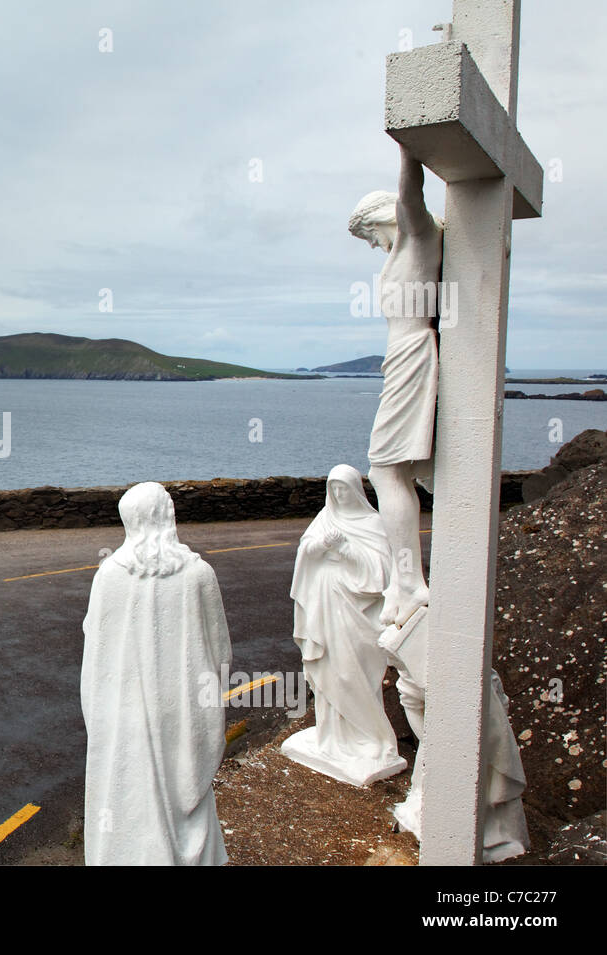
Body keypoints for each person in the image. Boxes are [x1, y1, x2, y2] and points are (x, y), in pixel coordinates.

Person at [80, 482, 232, 865]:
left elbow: (95, 647)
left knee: (129, 787)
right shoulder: (199, 574)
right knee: (182, 784)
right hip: (183, 712)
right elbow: (220, 651)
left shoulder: (110, 574)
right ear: (168, 516)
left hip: (124, 710)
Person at [348, 143, 444, 627]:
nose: (370, 244)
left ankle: (410, 580)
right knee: (395, 470)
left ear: (382, 218)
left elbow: (412, 192)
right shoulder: (404, 249)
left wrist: (409, 141)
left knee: (385, 468)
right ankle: (407, 579)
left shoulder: (417, 234)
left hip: (412, 354)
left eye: (367, 233)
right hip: (402, 357)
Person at [282, 465, 405, 786]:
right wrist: (321, 546)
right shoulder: (325, 518)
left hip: (357, 614)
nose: (338, 495)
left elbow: (381, 572)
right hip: (323, 603)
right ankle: (331, 735)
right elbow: (305, 553)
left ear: (355, 491)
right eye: (333, 489)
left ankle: (368, 737)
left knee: (353, 673)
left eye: (343, 489)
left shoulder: (373, 524)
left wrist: (345, 550)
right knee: (327, 670)